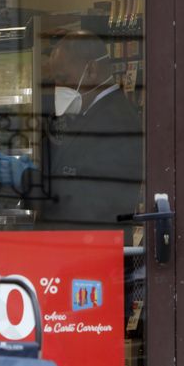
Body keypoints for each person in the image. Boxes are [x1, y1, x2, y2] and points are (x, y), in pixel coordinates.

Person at [41, 30, 144, 228]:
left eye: (63, 79)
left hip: (97, 241)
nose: (58, 88)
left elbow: (93, 198)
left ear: (91, 70)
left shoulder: (115, 122)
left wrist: (28, 180)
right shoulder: (91, 113)